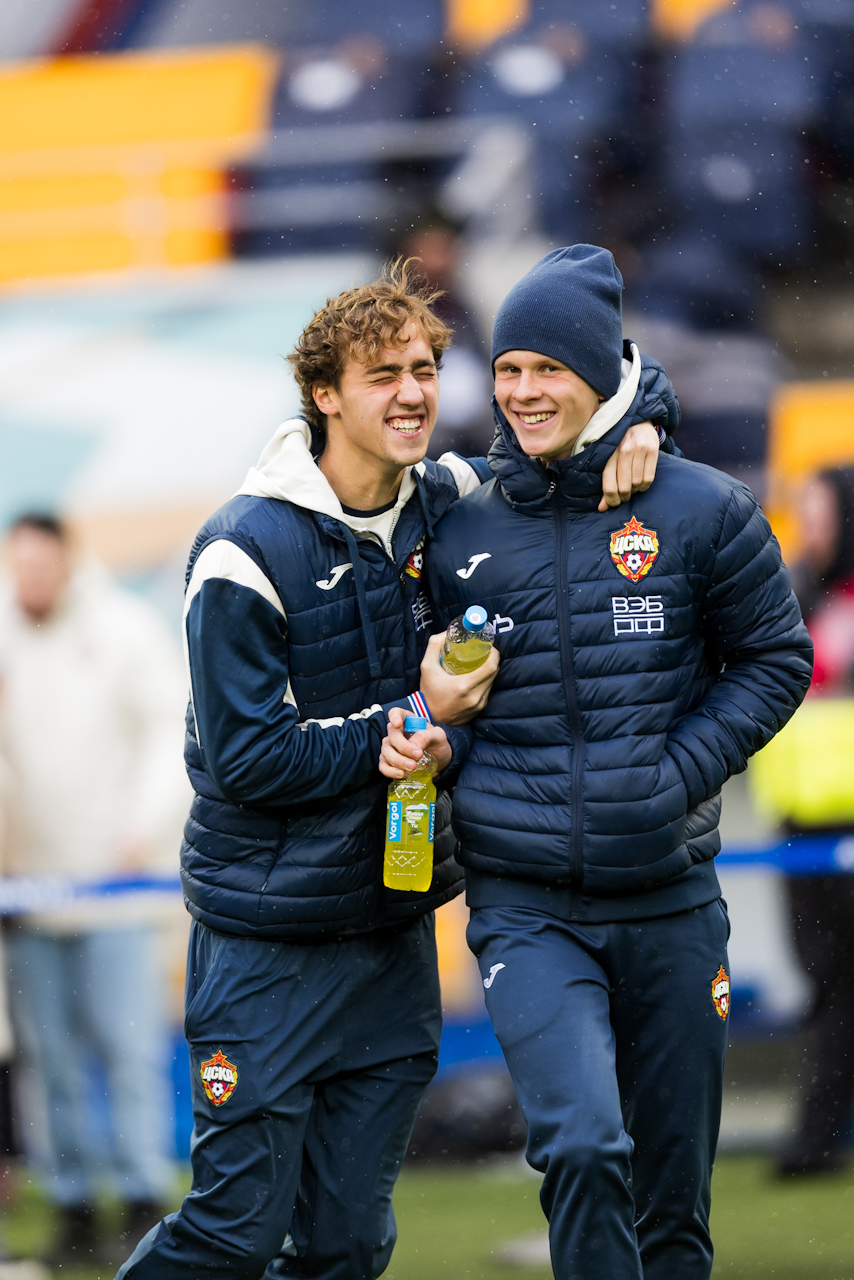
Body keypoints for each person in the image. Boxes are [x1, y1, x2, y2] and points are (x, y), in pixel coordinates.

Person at [115, 260, 670, 1280]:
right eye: (383, 375)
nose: (413, 392)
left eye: (423, 369)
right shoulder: (241, 548)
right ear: (324, 394)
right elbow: (244, 759)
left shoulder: (450, 495)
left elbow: (578, 404)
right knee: (233, 1233)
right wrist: (413, 717)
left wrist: (647, 421)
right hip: (266, 948)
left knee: (349, 1243)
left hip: (393, 936)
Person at [382, 245, 814, 1279]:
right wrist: (436, 748)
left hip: (670, 898)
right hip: (526, 907)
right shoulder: (457, 520)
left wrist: (675, 774)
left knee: (673, 1211)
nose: (523, 391)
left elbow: (775, 658)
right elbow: (439, 690)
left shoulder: (702, 507)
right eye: (508, 369)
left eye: (549, 368)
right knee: (581, 1144)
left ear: (599, 372)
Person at [0, 514, 188, 1268]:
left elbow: (170, 731)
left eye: (42, 567)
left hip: (116, 886)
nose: (32, 582)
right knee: (48, 1059)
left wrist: (141, 826)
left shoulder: (123, 630)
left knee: (128, 1048)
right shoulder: (5, 636)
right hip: (28, 891)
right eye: (20, 569)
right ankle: (72, 1206)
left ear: (68, 563)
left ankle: (143, 1200)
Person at [772, 466, 854, 1175]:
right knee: (824, 981)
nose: (810, 526)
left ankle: (817, 1137)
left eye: (822, 512)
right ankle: (820, 1135)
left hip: (846, 821)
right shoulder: (796, 593)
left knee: (839, 985)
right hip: (799, 823)